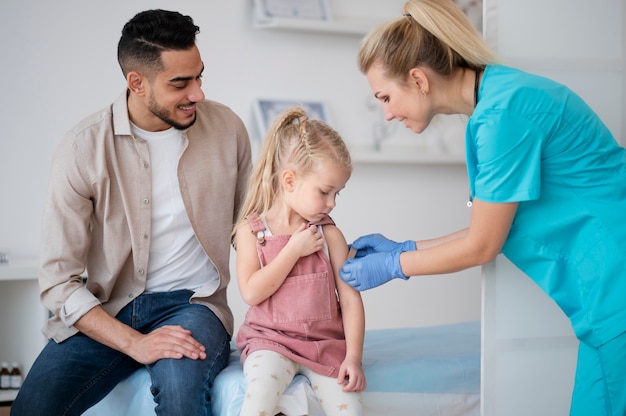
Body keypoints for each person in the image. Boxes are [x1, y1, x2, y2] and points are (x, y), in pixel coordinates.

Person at [338, 0, 626, 415]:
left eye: (385, 97)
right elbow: (489, 228)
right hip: (602, 303)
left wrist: (395, 266)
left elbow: (482, 245)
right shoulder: (497, 103)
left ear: (418, 79)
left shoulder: (503, 115)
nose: (386, 114)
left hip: (615, 288)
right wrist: (403, 247)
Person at [12, 9, 252, 416]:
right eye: (181, 83)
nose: (198, 94)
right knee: (32, 408)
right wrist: (134, 343)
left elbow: (251, 227)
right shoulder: (82, 149)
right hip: (108, 307)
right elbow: (58, 283)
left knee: (180, 396)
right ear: (136, 83)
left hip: (193, 304)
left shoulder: (227, 129)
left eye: (199, 77)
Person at [233, 107, 366, 416]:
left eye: (337, 194)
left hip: (324, 346)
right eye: (325, 192)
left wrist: (354, 358)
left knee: (351, 410)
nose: (332, 203)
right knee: (259, 399)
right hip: (270, 343)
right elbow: (251, 292)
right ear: (289, 181)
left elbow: (350, 301)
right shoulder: (252, 231)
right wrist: (293, 249)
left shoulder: (329, 234)